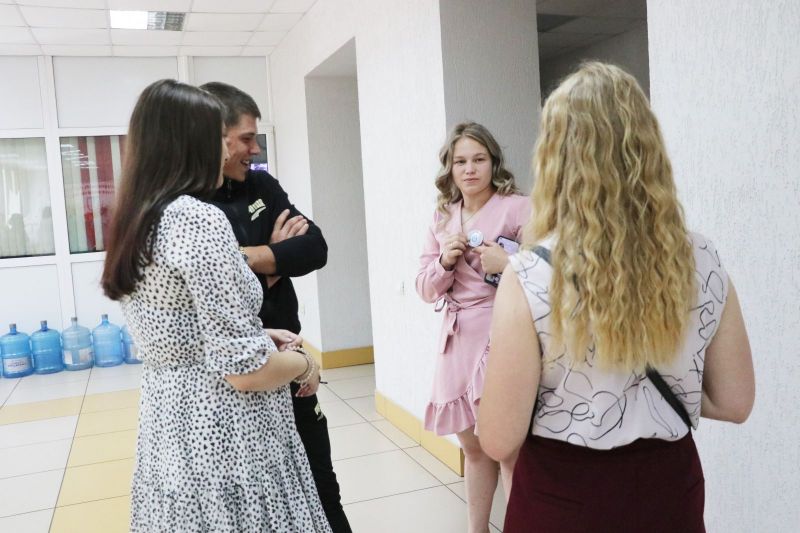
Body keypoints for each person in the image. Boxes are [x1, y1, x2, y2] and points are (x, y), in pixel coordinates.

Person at [478, 62, 755, 533]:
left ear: (555, 157)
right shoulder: (701, 257)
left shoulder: (530, 274)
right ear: (648, 148)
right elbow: (735, 401)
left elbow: (499, 438)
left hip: (564, 497)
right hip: (669, 491)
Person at [101, 79, 331, 532]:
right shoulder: (197, 219)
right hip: (226, 428)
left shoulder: (137, 217)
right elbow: (246, 372)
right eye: (218, 137)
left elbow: (182, 325)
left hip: (169, 421)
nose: (227, 149)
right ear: (190, 143)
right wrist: (305, 364)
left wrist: (256, 332)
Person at [200, 82, 351, 533]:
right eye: (246, 138)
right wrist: (273, 259)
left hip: (289, 363)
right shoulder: (192, 209)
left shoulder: (261, 184)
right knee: (259, 508)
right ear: (215, 137)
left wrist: (248, 258)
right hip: (236, 381)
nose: (255, 148)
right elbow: (210, 291)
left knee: (322, 489)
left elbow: (315, 248)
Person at [416, 122, 530, 533]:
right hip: (457, 339)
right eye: (460, 161)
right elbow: (425, 289)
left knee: (508, 448)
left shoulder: (519, 208)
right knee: (473, 447)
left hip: (502, 334)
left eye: (478, 159)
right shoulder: (442, 216)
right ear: (449, 168)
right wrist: (443, 263)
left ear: (493, 162)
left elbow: (550, 273)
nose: (469, 169)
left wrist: (510, 263)